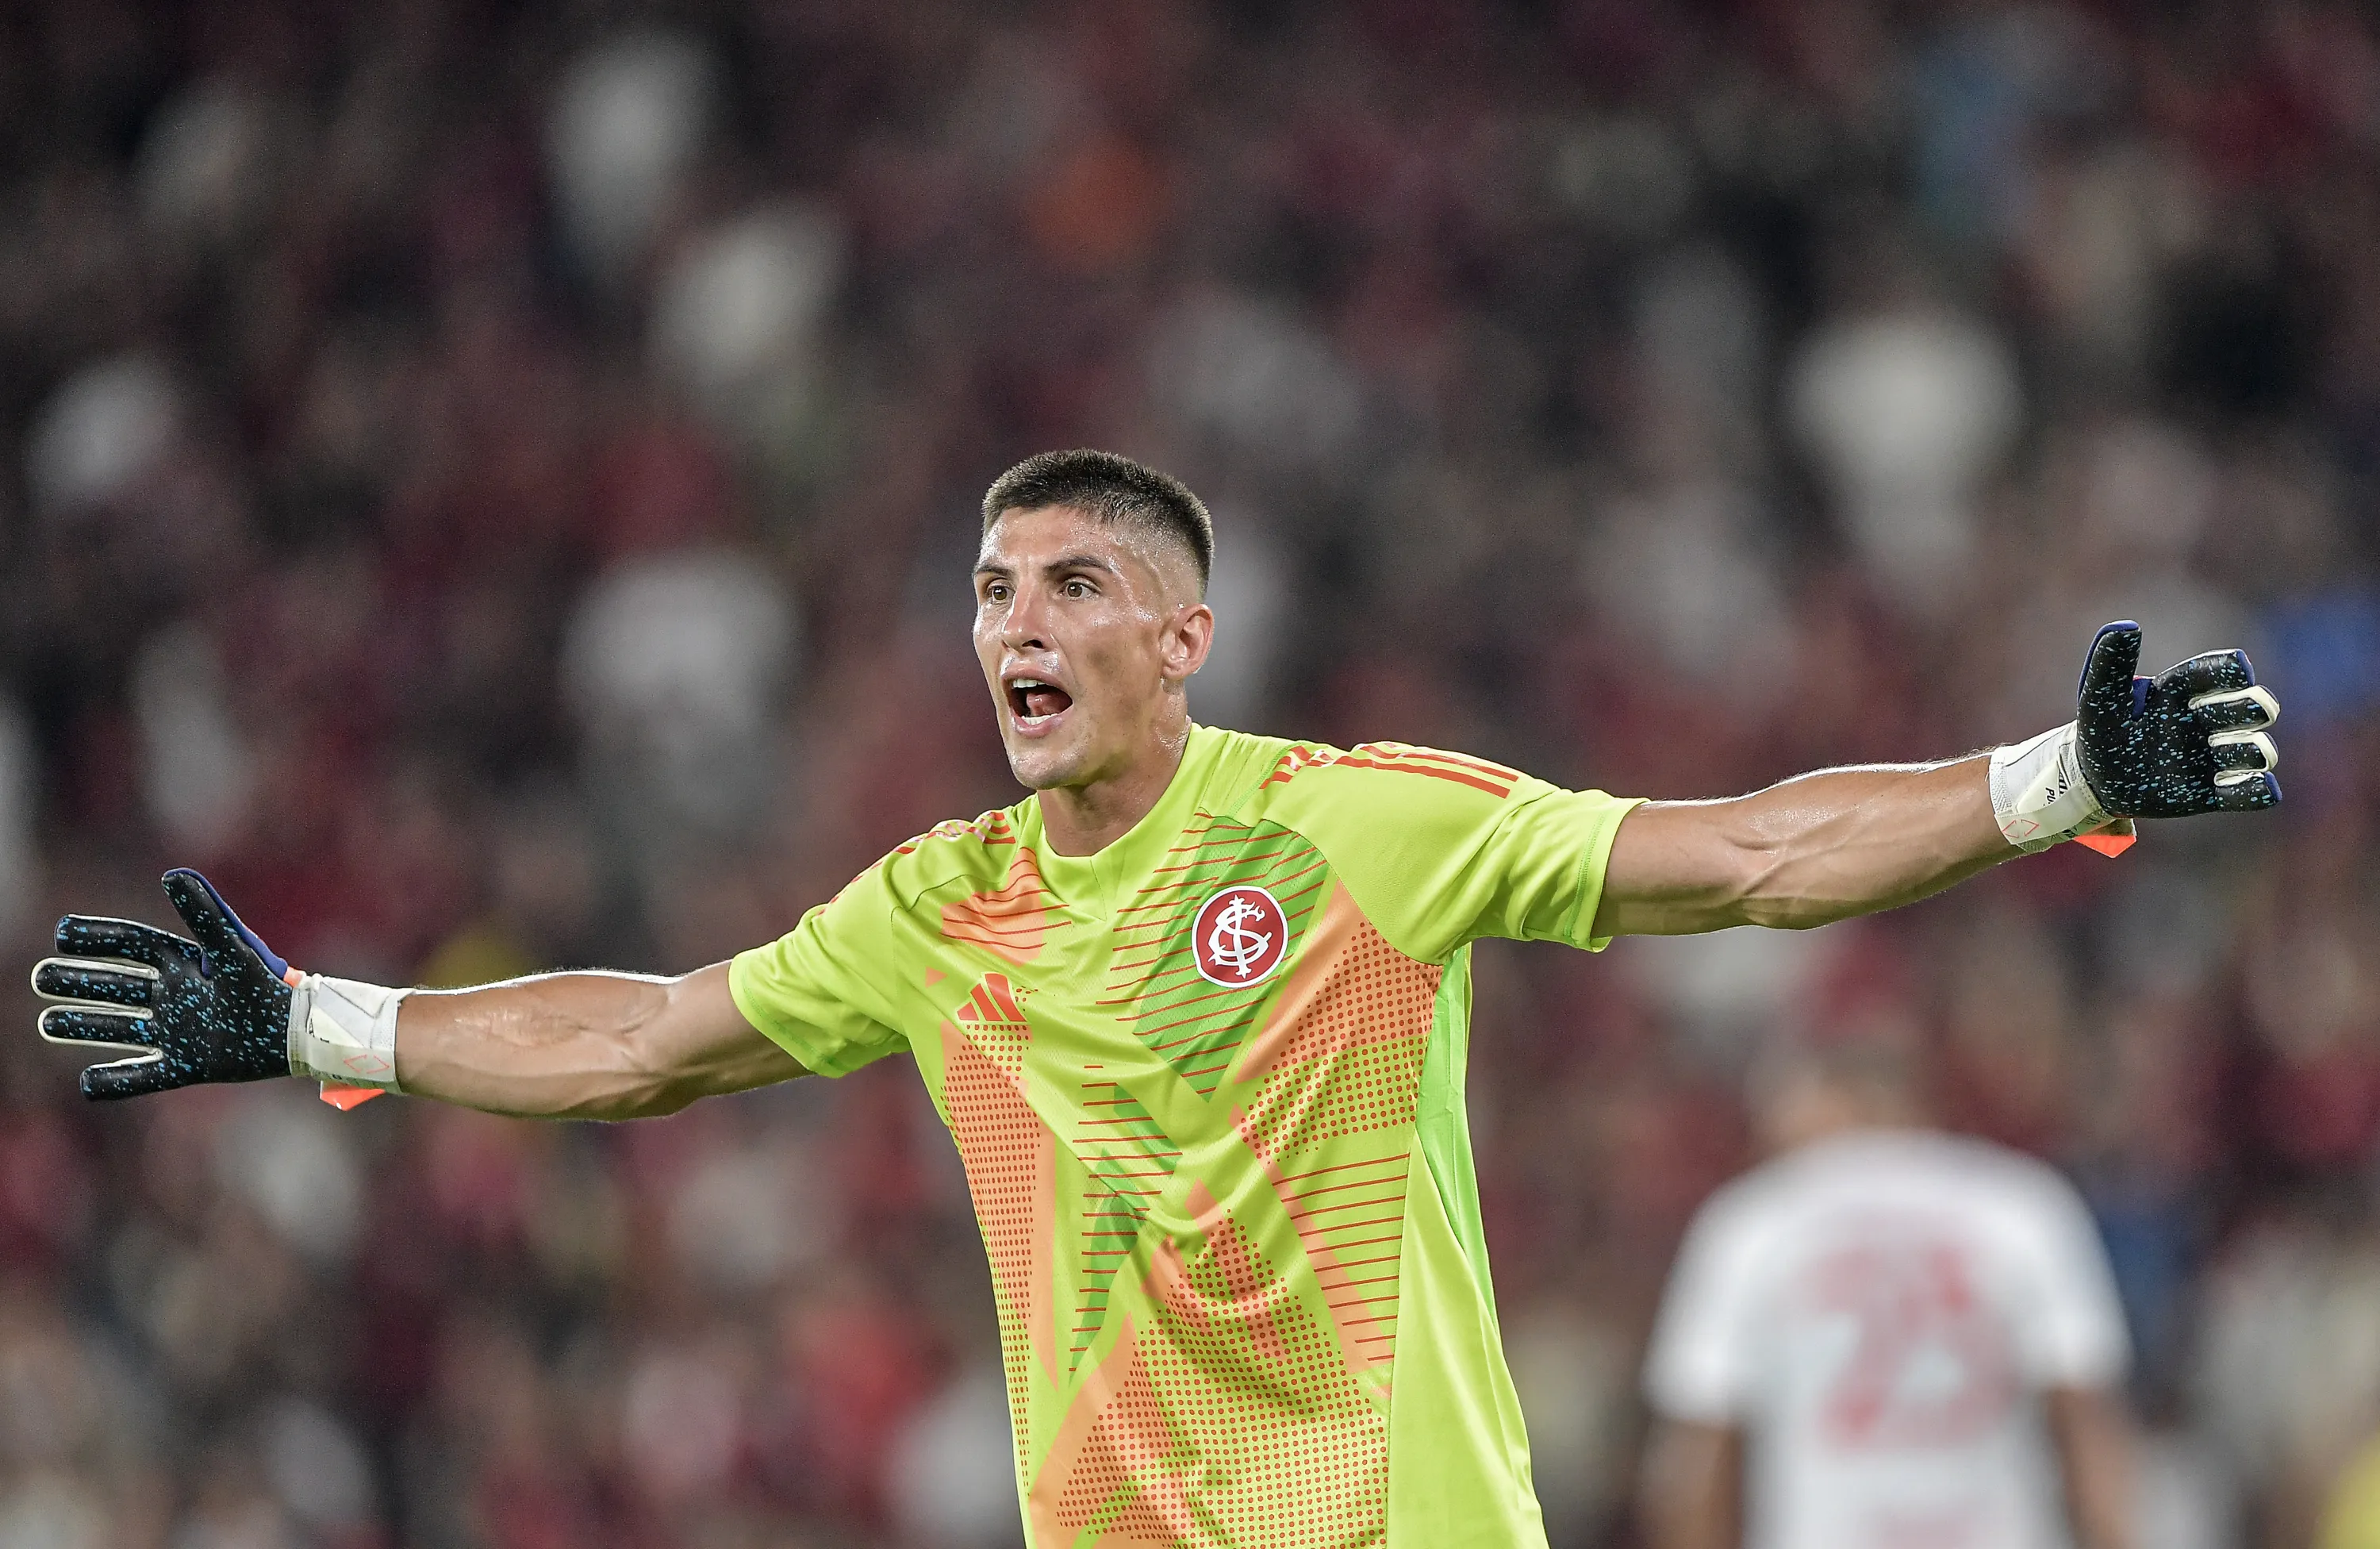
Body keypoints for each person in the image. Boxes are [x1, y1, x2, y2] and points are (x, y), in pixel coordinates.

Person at [30, 451, 2278, 1548]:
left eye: (1076, 581)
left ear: (1181, 638)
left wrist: (2048, 774)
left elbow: (1749, 855)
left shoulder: (1363, 827)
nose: (1018, 618)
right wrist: (326, 1022)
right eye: (993, 585)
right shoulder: (937, 906)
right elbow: (643, 1038)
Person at [1638, 1020, 2136, 1549]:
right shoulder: (2022, 1207)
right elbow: (2088, 1425)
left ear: (1854, 1099)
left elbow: (1697, 1458)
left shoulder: (1757, 1224)